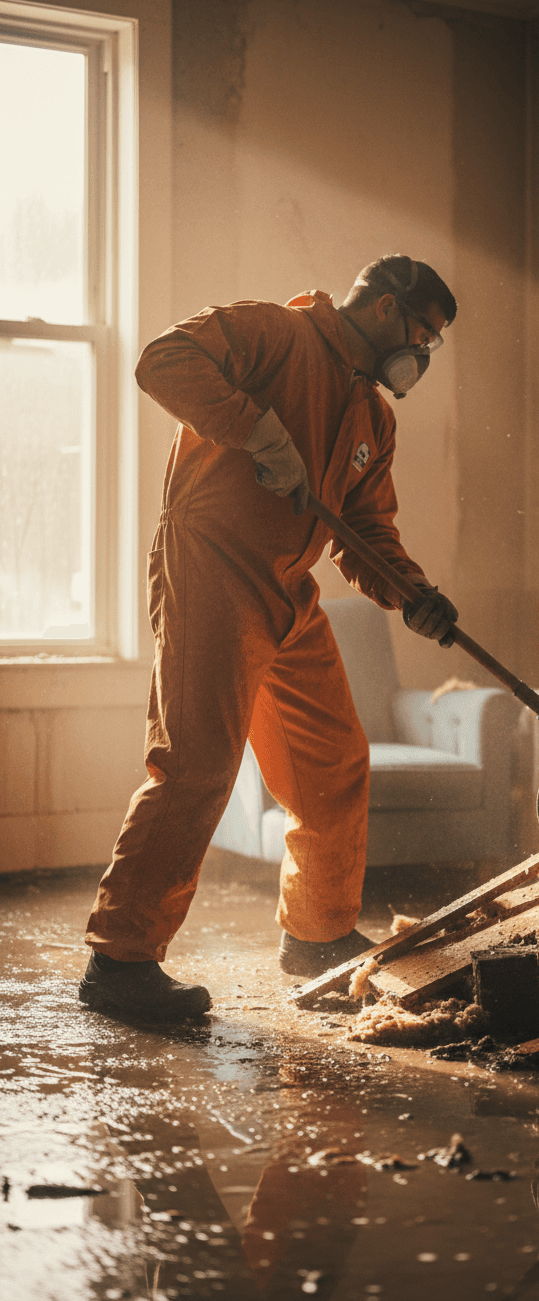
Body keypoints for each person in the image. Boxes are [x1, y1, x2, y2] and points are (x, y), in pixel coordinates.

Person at [79, 254, 459, 1019]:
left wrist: (414, 594)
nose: (422, 353)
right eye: (426, 333)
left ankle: (317, 934)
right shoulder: (274, 333)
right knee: (196, 764)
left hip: (287, 590)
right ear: (387, 310)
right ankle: (119, 963)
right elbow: (163, 360)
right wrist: (255, 429)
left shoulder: (373, 418)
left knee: (335, 759)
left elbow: (365, 531)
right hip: (212, 566)